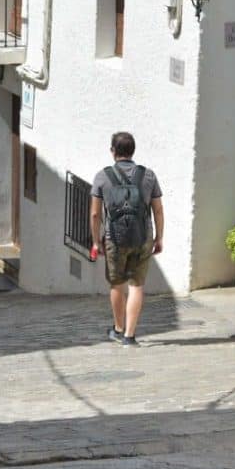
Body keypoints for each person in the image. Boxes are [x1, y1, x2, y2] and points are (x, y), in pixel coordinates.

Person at [90, 132, 164, 347]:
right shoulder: (148, 176)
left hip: (115, 239)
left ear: (113, 151)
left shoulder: (102, 177)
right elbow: (158, 210)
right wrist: (159, 237)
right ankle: (130, 336)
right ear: (133, 151)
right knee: (136, 285)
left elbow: (95, 214)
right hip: (143, 238)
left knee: (117, 284)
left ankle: (118, 328)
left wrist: (96, 241)